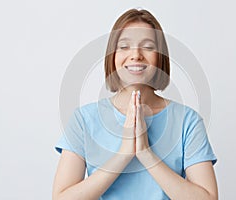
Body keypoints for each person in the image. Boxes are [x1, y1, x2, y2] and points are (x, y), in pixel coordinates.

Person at [52, 8, 218, 200]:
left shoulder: (187, 121)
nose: (136, 55)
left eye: (148, 47)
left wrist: (146, 154)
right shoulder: (84, 120)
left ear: (160, 57)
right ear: (112, 57)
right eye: (124, 46)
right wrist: (123, 155)